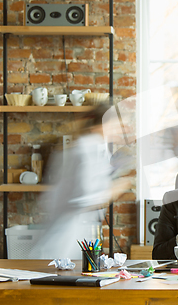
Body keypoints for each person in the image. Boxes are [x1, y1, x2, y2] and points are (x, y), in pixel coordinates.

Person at [30, 104, 131, 259]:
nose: (120, 129)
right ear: (103, 124)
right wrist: (115, 189)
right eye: (117, 124)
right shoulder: (87, 149)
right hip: (63, 238)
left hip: (67, 234)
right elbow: (82, 199)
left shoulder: (91, 147)